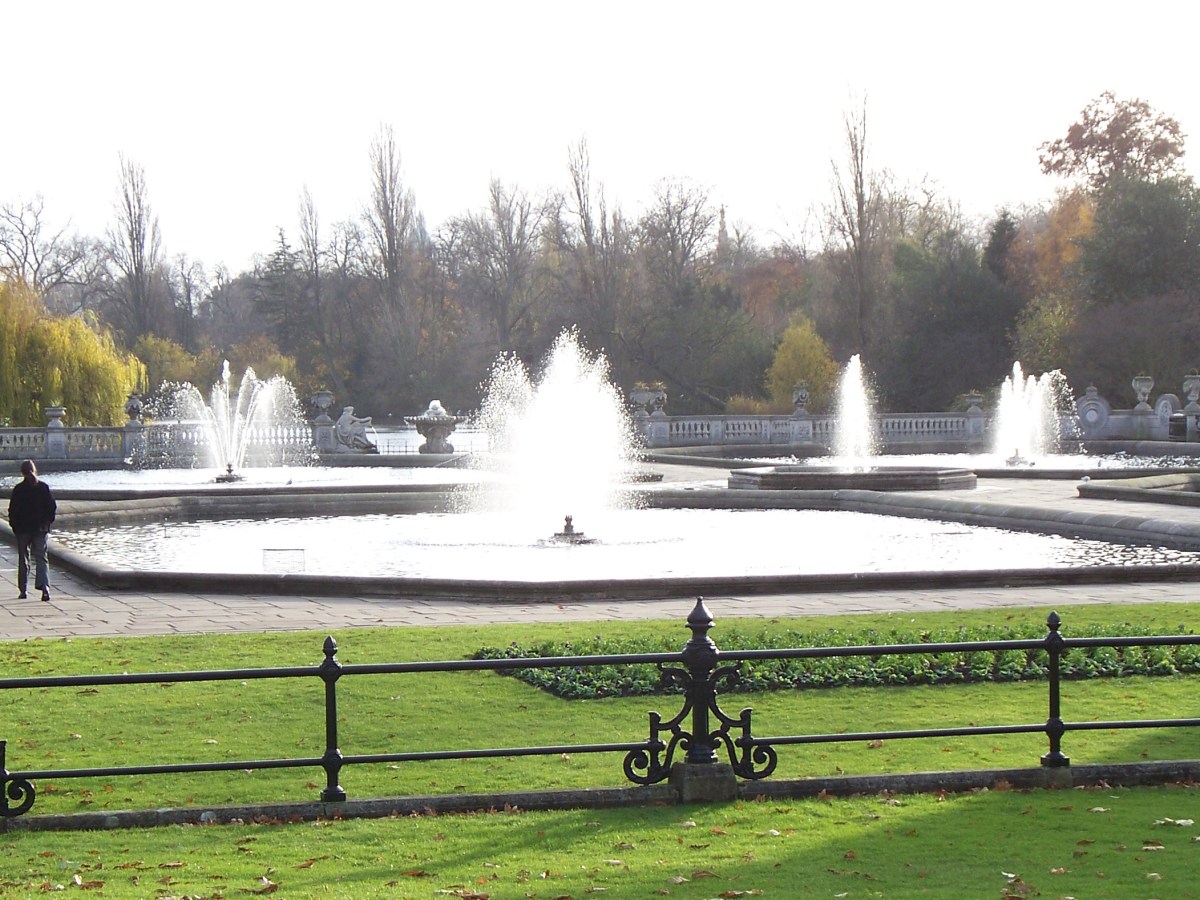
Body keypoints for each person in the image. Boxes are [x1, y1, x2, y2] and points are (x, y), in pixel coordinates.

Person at [8, 459, 56, 602]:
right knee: (41, 558)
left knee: (23, 558)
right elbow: (51, 507)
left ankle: (23, 590)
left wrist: (14, 526)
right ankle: (44, 587)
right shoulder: (43, 487)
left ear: (22, 472)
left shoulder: (18, 489)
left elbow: (13, 510)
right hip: (40, 528)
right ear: (35, 470)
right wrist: (47, 523)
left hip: (23, 529)